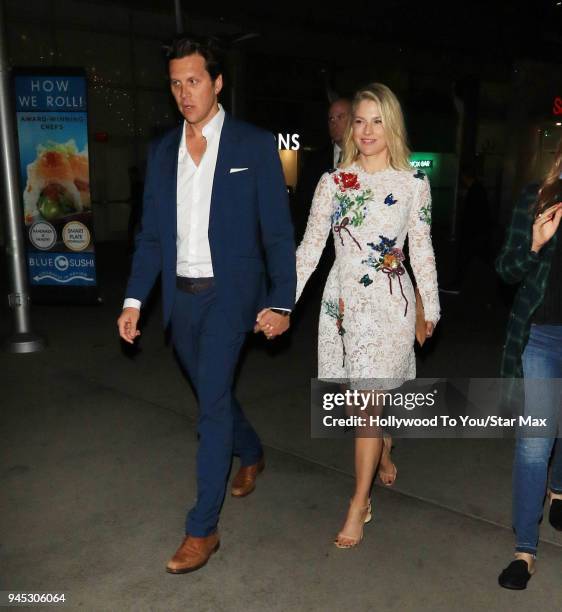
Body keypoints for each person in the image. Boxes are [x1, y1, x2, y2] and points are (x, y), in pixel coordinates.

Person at [117, 35, 296, 574]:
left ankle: (202, 530)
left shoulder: (253, 145)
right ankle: (254, 449)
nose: (184, 92)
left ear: (217, 83)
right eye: (175, 82)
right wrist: (133, 300)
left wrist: (281, 301)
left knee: (210, 409)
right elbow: (151, 235)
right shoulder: (162, 151)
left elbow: (278, 234)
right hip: (180, 300)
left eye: (193, 80)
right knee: (212, 391)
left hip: (227, 298)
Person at [294, 83, 440, 547]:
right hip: (344, 306)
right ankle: (381, 453)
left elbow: (423, 250)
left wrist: (430, 307)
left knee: (365, 406)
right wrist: (283, 303)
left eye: (378, 120)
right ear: (350, 128)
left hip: (391, 305)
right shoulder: (332, 184)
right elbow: (310, 250)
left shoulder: (414, 184)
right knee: (362, 403)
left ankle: (359, 504)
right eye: (360, 120)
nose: (368, 129)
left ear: (391, 125)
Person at [496, 137, 562, 590]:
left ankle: (559, 487)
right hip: (541, 336)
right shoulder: (538, 198)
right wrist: (535, 244)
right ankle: (525, 549)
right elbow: (506, 269)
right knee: (534, 443)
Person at [293, 98, 351, 242]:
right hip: (321, 249)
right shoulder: (315, 161)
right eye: (330, 118)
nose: (334, 122)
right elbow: (302, 206)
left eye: (340, 117)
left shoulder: (368, 158)